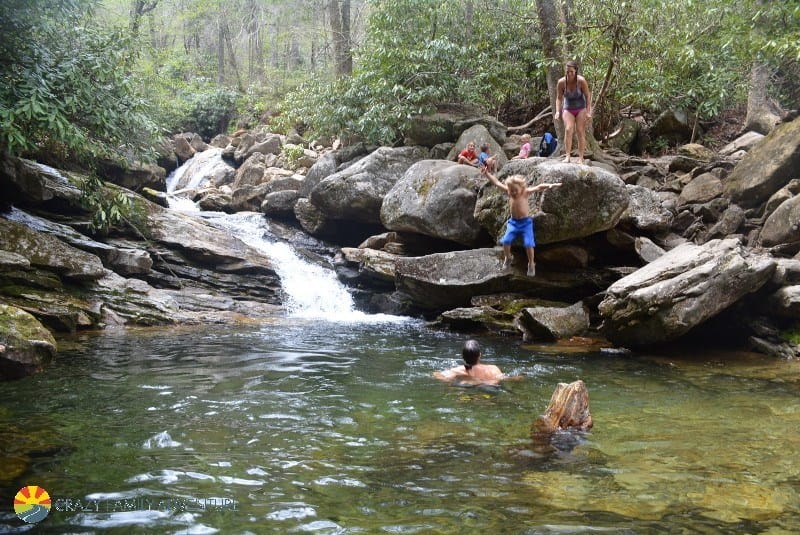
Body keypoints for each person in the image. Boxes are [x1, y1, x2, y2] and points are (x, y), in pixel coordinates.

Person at [482, 168, 561, 277]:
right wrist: (486, 173)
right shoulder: (508, 192)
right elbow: (496, 182)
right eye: (511, 190)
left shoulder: (525, 193)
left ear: (522, 188)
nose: (513, 192)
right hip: (513, 223)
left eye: (515, 190)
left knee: (528, 244)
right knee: (506, 241)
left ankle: (531, 263)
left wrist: (551, 185)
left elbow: (539, 187)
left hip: (525, 223)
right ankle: (508, 257)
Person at [555, 60, 592, 164]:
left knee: (580, 131)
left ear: (575, 71)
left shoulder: (581, 81)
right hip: (568, 108)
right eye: (567, 71)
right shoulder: (561, 82)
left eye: (571, 71)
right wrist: (557, 111)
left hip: (581, 108)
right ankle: (567, 156)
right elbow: (558, 98)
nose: (569, 73)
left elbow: (587, 96)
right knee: (568, 129)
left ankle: (581, 158)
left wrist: (589, 112)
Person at [433, 339, 505, 386]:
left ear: (463, 356)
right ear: (479, 355)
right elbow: (503, 379)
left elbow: (436, 375)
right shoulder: (493, 369)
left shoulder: (457, 371)